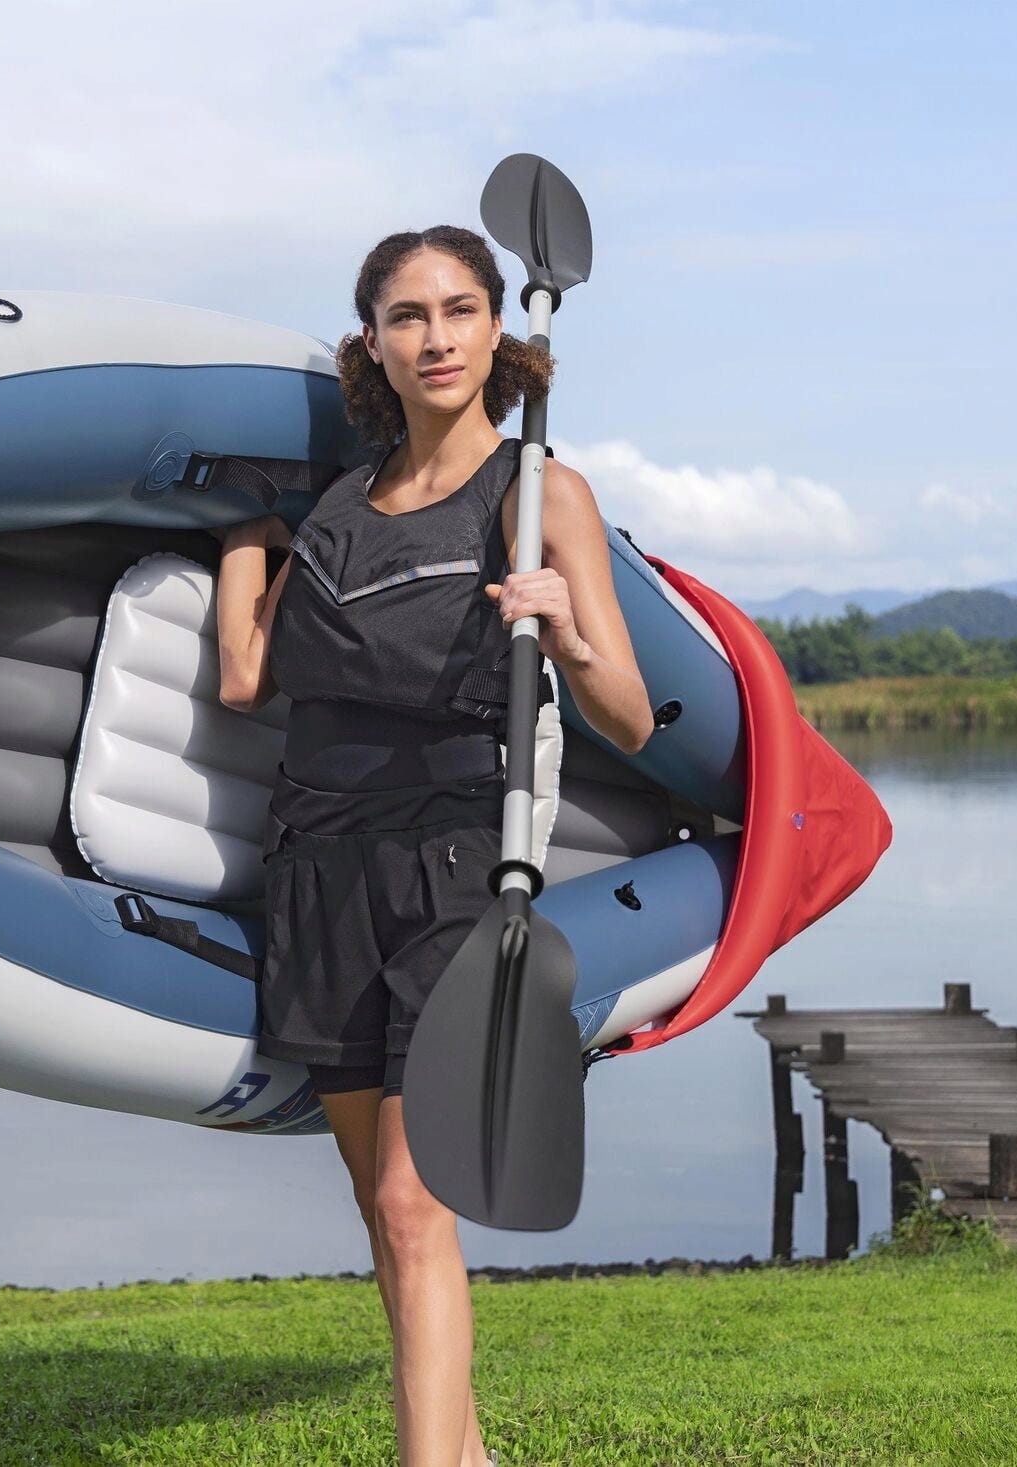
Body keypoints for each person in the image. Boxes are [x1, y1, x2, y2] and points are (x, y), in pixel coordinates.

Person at [212, 225, 655, 1467]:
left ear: (498, 331)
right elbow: (248, 679)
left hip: (458, 861)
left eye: (460, 311)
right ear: (373, 344)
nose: (437, 338)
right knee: (385, 1209)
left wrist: (566, 632)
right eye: (407, 317)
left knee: (416, 1202)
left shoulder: (536, 495)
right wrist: (241, 540)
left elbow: (627, 713)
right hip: (317, 866)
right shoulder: (335, 510)